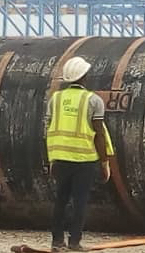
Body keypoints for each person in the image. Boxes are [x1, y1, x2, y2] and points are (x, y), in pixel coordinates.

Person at [46, 57, 114, 252]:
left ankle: (56, 242)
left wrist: (52, 158)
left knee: (60, 200)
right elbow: (99, 133)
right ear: (84, 76)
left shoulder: (55, 99)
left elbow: (49, 129)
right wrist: (104, 161)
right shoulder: (93, 100)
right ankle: (74, 242)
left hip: (60, 157)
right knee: (79, 202)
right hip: (84, 159)